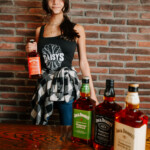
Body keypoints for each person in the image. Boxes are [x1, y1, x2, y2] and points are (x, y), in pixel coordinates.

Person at [26, 0, 98, 125]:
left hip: (67, 86)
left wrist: (92, 94)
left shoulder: (77, 29)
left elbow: (84, 63)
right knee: (39, 128)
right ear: (46, 2)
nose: (55, 2)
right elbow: (36, 64)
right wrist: (29, 53)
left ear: (65, 3)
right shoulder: (40, 31)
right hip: (45, 85)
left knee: (68, 128)